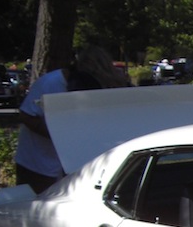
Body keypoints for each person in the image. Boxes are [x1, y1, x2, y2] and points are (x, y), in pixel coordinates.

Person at [14, 45, 129, 192]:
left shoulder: (104, 84)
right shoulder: (50, 83)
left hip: (75, 163)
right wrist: (61, 137)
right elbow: (27, 115)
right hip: (38, 163)